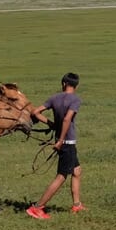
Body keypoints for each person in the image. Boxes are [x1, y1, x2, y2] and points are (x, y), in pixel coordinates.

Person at [26, 72, 84, 219]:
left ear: (63, 83)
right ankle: (37, 208)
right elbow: (67, 120)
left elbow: (35, 112)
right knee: (61, 176)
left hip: (62, 140)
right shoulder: (75, 100)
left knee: (77, 171)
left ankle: (77, 205)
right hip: (67, 142)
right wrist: (60, 140)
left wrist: (51, 124)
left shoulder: (54, 98)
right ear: (76, 85)